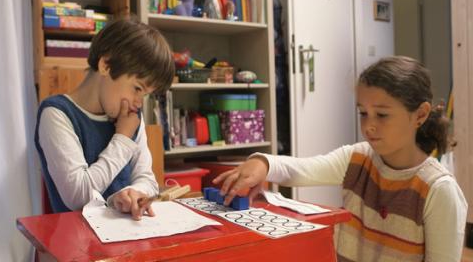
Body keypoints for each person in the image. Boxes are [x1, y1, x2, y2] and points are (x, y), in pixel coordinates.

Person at [215, 56, 467, 261]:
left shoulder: (438, 189)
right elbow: (302, 170)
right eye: (363, 113)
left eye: (382, 115)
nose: (368, 125)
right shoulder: (357, 158)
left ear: (420, 115)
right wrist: (263, 164)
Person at [35, 17, 174, 220]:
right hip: (78, 244)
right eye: (137, 88)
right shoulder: (57, 114)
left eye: (145, 95)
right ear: (106, 65)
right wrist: (123, 138)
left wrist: (135, 193)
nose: (138, 103)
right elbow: (78, 197)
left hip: (129, 237)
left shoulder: (130, 115)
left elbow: (147, 180)